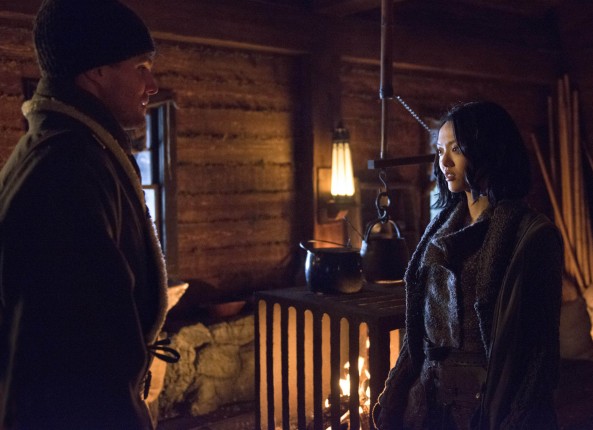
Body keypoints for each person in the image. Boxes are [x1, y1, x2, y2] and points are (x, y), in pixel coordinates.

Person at [0, 0, 172, 428]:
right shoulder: (65, 170)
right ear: (96, 71)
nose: (152, 85)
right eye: (140, 67)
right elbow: (83, 355)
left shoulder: (74, 154)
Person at [373, 101, 564, 429]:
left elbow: (540, 353)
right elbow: (417, 332)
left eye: (456, 149)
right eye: (440, 150)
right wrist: (395, 395)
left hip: (485, 407)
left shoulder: (531, 236)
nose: (444, 161)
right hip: (427, 404)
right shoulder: (440, 229)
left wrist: (515, 419)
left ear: (488, 150)